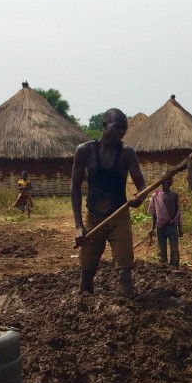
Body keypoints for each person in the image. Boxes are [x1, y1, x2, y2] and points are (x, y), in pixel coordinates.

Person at [71, 109, 146, 297]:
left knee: (124, 272)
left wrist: (140, 197)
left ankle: (130, 312)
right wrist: (79, 226)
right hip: (93, 217)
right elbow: (75, 187)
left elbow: (142, 186)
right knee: (87, 272)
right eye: (117, 127)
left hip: (119, 216)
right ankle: (84, 311)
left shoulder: (127, 154)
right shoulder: (85, 151)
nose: (122, 132)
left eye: (125, 128)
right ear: (104, 126)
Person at [148, 177, 182, 267]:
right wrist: (152, 228)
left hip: (172, 226)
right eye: (166, 179)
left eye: (170, 179)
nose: (168, 181)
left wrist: (180, 228)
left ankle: (175, 267)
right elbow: (154, 214)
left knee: (174, 249)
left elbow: (177, 211)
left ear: (172, 181)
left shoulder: (174, 195)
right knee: (161, 249)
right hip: (160, 227)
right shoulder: (156, 196)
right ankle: (163, 268)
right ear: (161, 182)